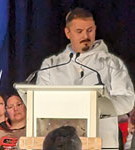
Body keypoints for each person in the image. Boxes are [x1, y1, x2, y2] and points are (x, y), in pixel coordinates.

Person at [35, 7, 135, 148]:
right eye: (79, 31)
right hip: (62, 144)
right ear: (67, 33)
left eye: (90, 30)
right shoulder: (51, 64)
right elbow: (40, 103)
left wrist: (97, 105)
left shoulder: (111, 63)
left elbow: (127, 100)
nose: (86, 36)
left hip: (102, 141)